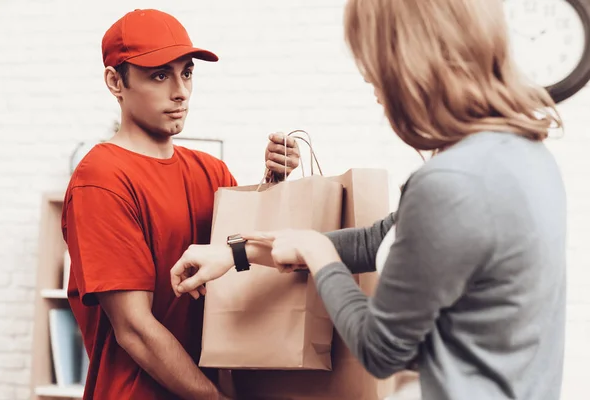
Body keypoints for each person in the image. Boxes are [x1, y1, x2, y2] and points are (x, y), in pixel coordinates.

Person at [170, 0, 567, 399]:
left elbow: (382, 350)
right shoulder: (524, 155)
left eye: (372, 60)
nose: (369, 80)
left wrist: (320, 255)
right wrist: (237, 252)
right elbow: (372, 242)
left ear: (412, 62)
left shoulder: (450, 183)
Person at [61, 9, 299, 400]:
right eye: (159, 75)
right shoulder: (101, 179)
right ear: (114, 81)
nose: (181, 91)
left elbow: (245, 265)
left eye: (186, 73)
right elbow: (134, 329)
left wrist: (275, 181)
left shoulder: (212, 171)